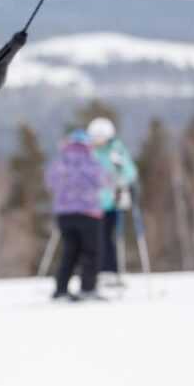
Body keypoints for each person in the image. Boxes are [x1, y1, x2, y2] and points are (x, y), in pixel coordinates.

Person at [45, 130, 107, 301]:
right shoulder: (91, 161)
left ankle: (61, 289)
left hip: (64, 214)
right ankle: (88, 288)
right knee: (91, 252)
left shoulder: (61, 161)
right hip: (89, 212)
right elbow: (103, 181)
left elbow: (50, 181)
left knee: (69, 252)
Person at [87, 117, 138, 285]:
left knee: (107, 237)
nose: (98, 141)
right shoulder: (90, 151)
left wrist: (121, 177)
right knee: (95, 238)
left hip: (112, 202)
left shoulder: (117, 151)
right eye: (96, 138)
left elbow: (130, 172)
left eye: (101, 137)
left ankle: (110, 270)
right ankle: (97, 271)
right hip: (92, 203)